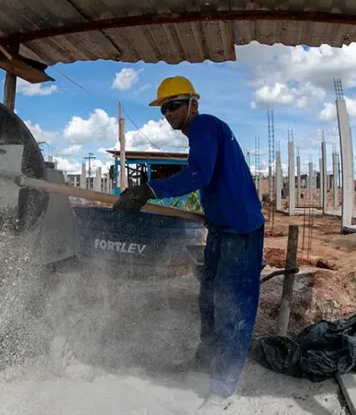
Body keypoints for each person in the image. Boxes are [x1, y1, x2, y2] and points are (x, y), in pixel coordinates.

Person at [113, 76, 265, 408]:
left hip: (241, 232)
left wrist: (150, 189)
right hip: (222, 229)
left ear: (192, 104)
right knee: (209, 302)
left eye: (173, 106)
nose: (168, 113)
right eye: (163, 109)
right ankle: (203, 365)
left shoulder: (203, 124)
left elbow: (199, 174)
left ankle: (222, 389)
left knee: (233, 309)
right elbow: (212, 177)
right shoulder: (204, 133)